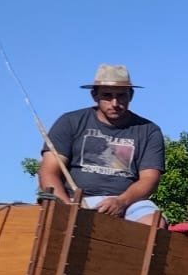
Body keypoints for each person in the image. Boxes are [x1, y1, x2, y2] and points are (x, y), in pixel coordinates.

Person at [38, 64, 165, 225]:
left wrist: (121, 202)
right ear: (94, 95)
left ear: (131, 95)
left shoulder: (148, 130)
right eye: (107, 95)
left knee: (155, 223)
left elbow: (150, 178)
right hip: (76, 200)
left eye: (121, 96)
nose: (114, 102)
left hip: (129, 202)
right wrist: (66, 207)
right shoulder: (70, 122)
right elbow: (49, 172)